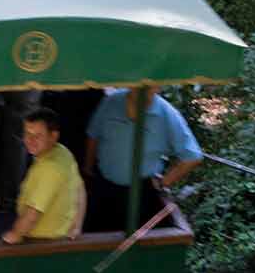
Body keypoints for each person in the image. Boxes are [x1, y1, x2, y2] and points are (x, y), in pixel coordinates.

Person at [83, 89, 202, 233]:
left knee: (137, 242)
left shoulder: (167, 114)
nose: (143, 88)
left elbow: (192, 156)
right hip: (104, 186)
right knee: (98, 235)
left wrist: (164, 182)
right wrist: (88, 169)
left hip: (141, 193)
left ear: (158, 87)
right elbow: (93, 134)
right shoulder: (111, 102)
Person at [3, 107, 84, 243]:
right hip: (61, 235)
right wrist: (77, 225)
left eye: (38, 135)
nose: (30, 140)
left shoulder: (50, 168)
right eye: (27, 133)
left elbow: (33, 213)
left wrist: (15, 235)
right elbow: (80, 189)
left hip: (40, 242)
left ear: (53, 136)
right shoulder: (63, 153)